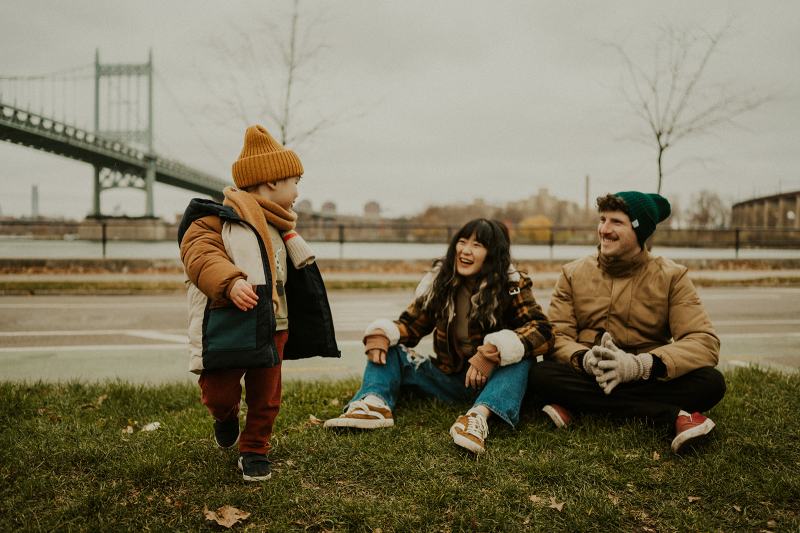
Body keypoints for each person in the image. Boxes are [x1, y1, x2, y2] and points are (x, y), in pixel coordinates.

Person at [178, 125, 339, 481]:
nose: (298, 191)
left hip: (275, 324)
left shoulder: (282, 226)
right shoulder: (215, 221)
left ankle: (254, 448)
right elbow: (200, 256)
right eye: (295, 181)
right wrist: (231, 281)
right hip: (231, 322)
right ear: (271, 182)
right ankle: (225, 415)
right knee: (218, 391)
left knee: (267, 395)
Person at [324, 218, 554, 454]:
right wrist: (380, 335)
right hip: (447, 378)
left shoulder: (512, 284)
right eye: (462, 242)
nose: (465, 250)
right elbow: (411, 325)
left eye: (477, 245)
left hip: (493, 381)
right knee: (390, 345)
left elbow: (542, 330)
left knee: (521, 356)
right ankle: (374, 404)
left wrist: (493, 352)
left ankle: (477, 418)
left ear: (492, 253)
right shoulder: (442, 281)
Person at [529, 191, 725, 453]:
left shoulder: (672, 276)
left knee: (711, 382)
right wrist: (585, 360)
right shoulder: (572, 273)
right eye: (602, 220)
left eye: (616, 222)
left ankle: (578, 405)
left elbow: (704, 342)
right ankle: (673, 416)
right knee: (540, 374)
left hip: (646, 377)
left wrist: (639, 366)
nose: (604, 230)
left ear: (639, 231)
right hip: (590, 375)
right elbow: (557, 336)